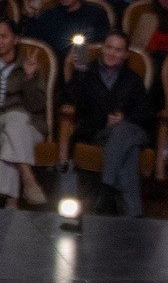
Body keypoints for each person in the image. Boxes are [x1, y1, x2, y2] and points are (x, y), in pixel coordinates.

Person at [65, 30, 153, 217]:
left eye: (118, 50)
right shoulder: (87, 72)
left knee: (122, 131)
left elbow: (145, 111)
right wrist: (79, 72)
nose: (112, 53)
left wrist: (124, 119)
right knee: (129, 152)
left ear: (125, 54)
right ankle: (133, 215)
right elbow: (72, 99)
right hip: (101, 133)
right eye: (109, 47)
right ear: (103, 48)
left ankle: (106, 187)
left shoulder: (133, 78)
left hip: (133, 129)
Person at [0, 18, 50, 206]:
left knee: (12, 131)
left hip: (30, 126)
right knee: (14, 118)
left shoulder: (28, 63)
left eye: (4, 36)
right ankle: (29, 180)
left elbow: (36, 107)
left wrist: (29, 77)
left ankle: (11, 201)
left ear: (16, 39)